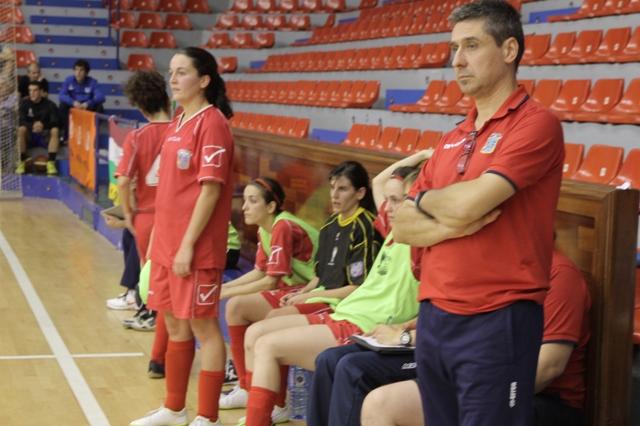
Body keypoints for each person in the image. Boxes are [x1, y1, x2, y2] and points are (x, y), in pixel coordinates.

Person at [393, 1, 565, 425]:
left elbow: (469, 204)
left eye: (471, 45)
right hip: (434, 315)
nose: (458, 61)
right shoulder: (452, 136)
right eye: (454, 48)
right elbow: (403, 228)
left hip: (497, 317)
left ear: (509, 50)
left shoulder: (536, 124)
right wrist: (444, 215)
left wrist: (426, 201)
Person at [313, 249, 591, 426]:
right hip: (472, 375)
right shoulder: (494, 264)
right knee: (344, 362)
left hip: (540, 401)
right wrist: (408, 336)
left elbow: (547, 369)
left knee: (382, 402)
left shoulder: (558, 274)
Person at [237, 170, 421, 426]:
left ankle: (261, 416)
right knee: (258, 335)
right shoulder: (393, 229)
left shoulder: (421, 242)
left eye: (397, 200)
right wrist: (421, 155)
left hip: (365, 323)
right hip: (345, 312)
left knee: (267, 346)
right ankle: (264, 408)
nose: (387, 207)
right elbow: (378, 181)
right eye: (387, 200)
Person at [220, 162, 382, 417]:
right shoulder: (330, 224)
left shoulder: (365, 227)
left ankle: (273, 403)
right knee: (258, 323)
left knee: (265, 326)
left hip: (339, 303)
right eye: (332, 188)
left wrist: (308, 294)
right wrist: (304, 291)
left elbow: (356, 288)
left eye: (342, 189)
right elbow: (320, 276)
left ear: (360, 193)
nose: (334, 195)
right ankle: (262, 398)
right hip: (317, 293)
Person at [129, 47, 234, 426]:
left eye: (182, 72)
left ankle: (208, 416)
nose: (172, 79)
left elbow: (209, 191)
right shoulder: (177, 121)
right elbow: (171, 192)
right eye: (170, 72)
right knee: (173, 324)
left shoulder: (213, 123)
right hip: (167, 244)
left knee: (205, 327)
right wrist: (159, 238)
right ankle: (174, 409)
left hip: (197, 248)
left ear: (204, 80)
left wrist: (188, 245)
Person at [219, 176, 319, 417]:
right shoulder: (267, 228)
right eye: (244, 201)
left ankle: (276, 401)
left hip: (313, 289)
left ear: (271, 207)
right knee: (235, 306)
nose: (244, 207)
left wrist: (224, 292)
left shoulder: (283, 226)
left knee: (238, 307)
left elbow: (270, 281)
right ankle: (246, 386)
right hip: (294, 287)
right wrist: (222, 290)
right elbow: (259, 272)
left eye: (252, 201)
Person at [16, 81, 60, 175]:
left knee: (55, 130)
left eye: (35, 90)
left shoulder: (50, 105)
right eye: (30, 90)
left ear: (41, 92)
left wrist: (43, 125)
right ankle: (22, 161)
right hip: (30, 135)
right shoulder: (24, 103)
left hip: (44, 135)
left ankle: (51, 162)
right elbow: (20, 120)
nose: (32, 93)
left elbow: (56, 122)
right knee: (21, 129)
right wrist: (32, 125)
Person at [58, 59, 105, 140]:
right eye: (76, 69)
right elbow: (61, 95)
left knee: (100, 107)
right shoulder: (68, 80)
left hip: (87, 106)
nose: (78, 73)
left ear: (86, 72)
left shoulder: (92, 82)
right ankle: (67, 133)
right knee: (62, 106)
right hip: (74, 105)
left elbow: (101, 96)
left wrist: (88, 103)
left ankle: (92, 133)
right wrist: (73, 102)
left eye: (81, 70)